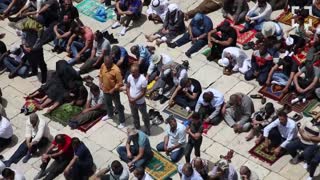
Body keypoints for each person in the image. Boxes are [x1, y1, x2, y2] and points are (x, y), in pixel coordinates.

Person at [99, 56, 126, 127]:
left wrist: (113, 89)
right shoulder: (103, 65)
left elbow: (120, 83)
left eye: (108, 64)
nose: (106, 66)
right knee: (108, 104)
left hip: (114, 92)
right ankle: (110, 114)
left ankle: (122, 121)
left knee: (118, 106)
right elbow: (101, 74)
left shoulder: (116, 70)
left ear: (111, 62)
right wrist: (100, 83)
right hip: (105, 90)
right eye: (105, 64)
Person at [126, 64, 150, 134]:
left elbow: (143, 93)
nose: (132, 74)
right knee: (134, 115)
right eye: (131, 72)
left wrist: (134, 99)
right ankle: (137, 127)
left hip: (140, 103)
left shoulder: (143, 80)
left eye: (133, 72)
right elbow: (127, 87)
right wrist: (129, 97)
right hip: (131, 101)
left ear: (137, 71)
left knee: (145, 117)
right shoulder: (130, 77)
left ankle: (147, 129)